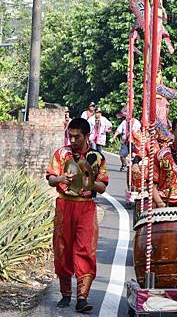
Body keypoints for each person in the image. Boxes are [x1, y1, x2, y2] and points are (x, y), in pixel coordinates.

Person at [45, 117, 108, 313]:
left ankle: (82, 297)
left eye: (76, 137)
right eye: (70, 136)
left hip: (85, 207)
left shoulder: (97, 158)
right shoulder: (60, 154)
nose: (72, 140)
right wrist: (61, 178)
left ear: (87, 136)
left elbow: (103, 186)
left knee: (85, 249)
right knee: (62, 249)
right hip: (64, 205)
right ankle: (65, 294)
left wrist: (89, 182)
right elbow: (51, 179)